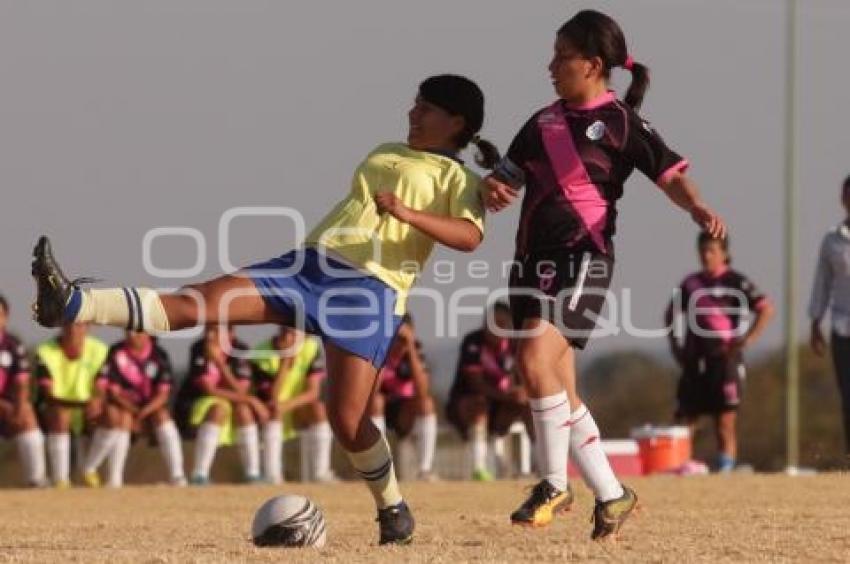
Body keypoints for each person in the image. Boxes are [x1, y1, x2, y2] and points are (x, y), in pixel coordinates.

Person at [31, 74, 497, 545]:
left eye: (425, 109)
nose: (412, 113)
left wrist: (409, 214)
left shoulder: (461, 180)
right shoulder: (388, 149)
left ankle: (393, 508)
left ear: (456, 121)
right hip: (309, 264)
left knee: (347, 419)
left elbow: (469, 237)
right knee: (201, 300)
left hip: (370, 291)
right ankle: (72, 303)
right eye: (414, 104)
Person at [483, 10, 726, 538]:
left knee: (531, 358)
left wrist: (697, 207)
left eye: (560, 56)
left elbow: (671, 174)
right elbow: (504, 179)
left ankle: (552, 483)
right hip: (529, 263)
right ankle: (613, 494)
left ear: (593, 64)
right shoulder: (540, 122)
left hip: (582, 259)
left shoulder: (620, 122)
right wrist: (493, 191)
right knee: (558, 388)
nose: (550, 66)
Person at [666, 233, 773, 471]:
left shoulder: (736, 282)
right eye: (703, 251)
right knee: (686, 418)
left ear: (724, 253)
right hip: (695, 358)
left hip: (725, 360)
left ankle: (725, 470)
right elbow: (670, 313)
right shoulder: (690, 284)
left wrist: (748, 339)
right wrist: (675, 345)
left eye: (712, 251)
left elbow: (765, 308)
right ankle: (682, 467)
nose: (706, 256)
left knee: (724, 421)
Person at [81, 330, 186, 487]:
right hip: (123, 406)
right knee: (121, 417)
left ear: (148, 334)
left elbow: (163, 394)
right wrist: (132, 410)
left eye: (137, 331)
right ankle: (114, 478)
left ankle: (177, 475)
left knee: (163, 416)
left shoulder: (159, 355)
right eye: (128, 330)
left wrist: (144, 412)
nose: (131, 335)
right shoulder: (117, 352)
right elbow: (111, 390)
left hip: (149, 410)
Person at [447, 302, 530, 481]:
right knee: (480, 405)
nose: (495, 328)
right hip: (467, 404)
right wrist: (506, 395)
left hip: (501, 407)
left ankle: (541, 466)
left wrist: (521, 392)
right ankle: (479, 468)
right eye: (491, 323)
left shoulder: (515, 346)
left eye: (501, 324)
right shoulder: (473, 342)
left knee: (529, 404)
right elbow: (475, 383)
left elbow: (524, 378)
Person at [175, 326, 267, 485]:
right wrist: (251, 400)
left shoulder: (240, 350)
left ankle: (252, 473)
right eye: (209, 330)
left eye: (216, 331)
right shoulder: (199, 348)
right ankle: (200, 474)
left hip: (233, 400)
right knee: (218, 409)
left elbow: (240, 389)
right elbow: (208, 389)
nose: (210, 335)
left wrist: (220, 363)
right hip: (199, 400)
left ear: (231, 334)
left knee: (244, 411)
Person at [250, 326, 333, 484]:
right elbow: (272, 396)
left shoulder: (311, 347)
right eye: (287, 331)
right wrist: (286, 361)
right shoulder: (261, 352)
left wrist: (287, 405)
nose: (291, 337)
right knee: (274, 411)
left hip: (295, 406)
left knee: (318, 409)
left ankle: (321, 473)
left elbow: (313, 392)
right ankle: (273, 475)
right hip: (269, 409)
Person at [34, 323, 108, 488]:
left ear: (89, 327)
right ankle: (61, 480)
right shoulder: (45, 351)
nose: (74, 330)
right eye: (69, 325)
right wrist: (81, 405)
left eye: (79, 325)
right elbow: (48, 394)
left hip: (87, 409)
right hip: (55, 408)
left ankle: (93, 471)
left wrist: (97, 402)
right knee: (61, 415)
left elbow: (101, 389)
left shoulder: (100, 350)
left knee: (112, 416)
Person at [810, 175, 850, 455]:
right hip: (842, 327)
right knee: (848, 396)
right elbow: (822, 282)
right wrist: (815, 321)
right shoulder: (833, 240)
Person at [377, 315, 439, 481]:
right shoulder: (378, 348)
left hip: (405, 412)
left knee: (426, 404)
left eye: (403, 337)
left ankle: (425, 470)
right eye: (396, 337)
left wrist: (410, 348)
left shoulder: (415, 351)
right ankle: (379, 467)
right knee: (376, 401)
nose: (399, 342)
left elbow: (422, 390)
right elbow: (371, 390)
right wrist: (385, 351)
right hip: (378, 410)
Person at [0, 295, 48, 487]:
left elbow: (22, 381)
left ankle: (36, 480)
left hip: (8, 409)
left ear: (6, 317)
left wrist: (19, 407)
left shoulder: (13, 344)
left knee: (27, 414)